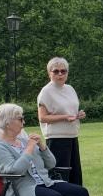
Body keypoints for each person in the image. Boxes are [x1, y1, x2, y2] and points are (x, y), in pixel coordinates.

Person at [36, 56, 86, 185]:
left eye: (63, 71)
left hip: (72, 137)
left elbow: (71, 111)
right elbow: (42, 117)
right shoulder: (46, 92)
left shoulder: (70, 89)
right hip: (57, 139)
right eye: (56, 71)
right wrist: (64, 117)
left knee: (75, 177)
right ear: (49, 73)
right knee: (60, 178)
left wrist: (78, 114)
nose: (60, 74)